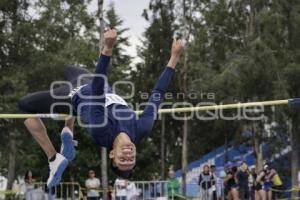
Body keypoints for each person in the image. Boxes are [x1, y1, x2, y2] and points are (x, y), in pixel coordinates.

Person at [18, 29, 184, 188]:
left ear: (112, 154)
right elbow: (157, 94)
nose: (128, 157)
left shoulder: (101, 132)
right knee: (68, 68)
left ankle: (53, 157)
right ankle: (67, 132)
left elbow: (96, 91)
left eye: (122, 160)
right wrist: (174, 57)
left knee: (24, 106)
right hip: (91, 80)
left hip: (74, 94)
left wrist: (108, 48)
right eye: (131, 160)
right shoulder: (141, 129)